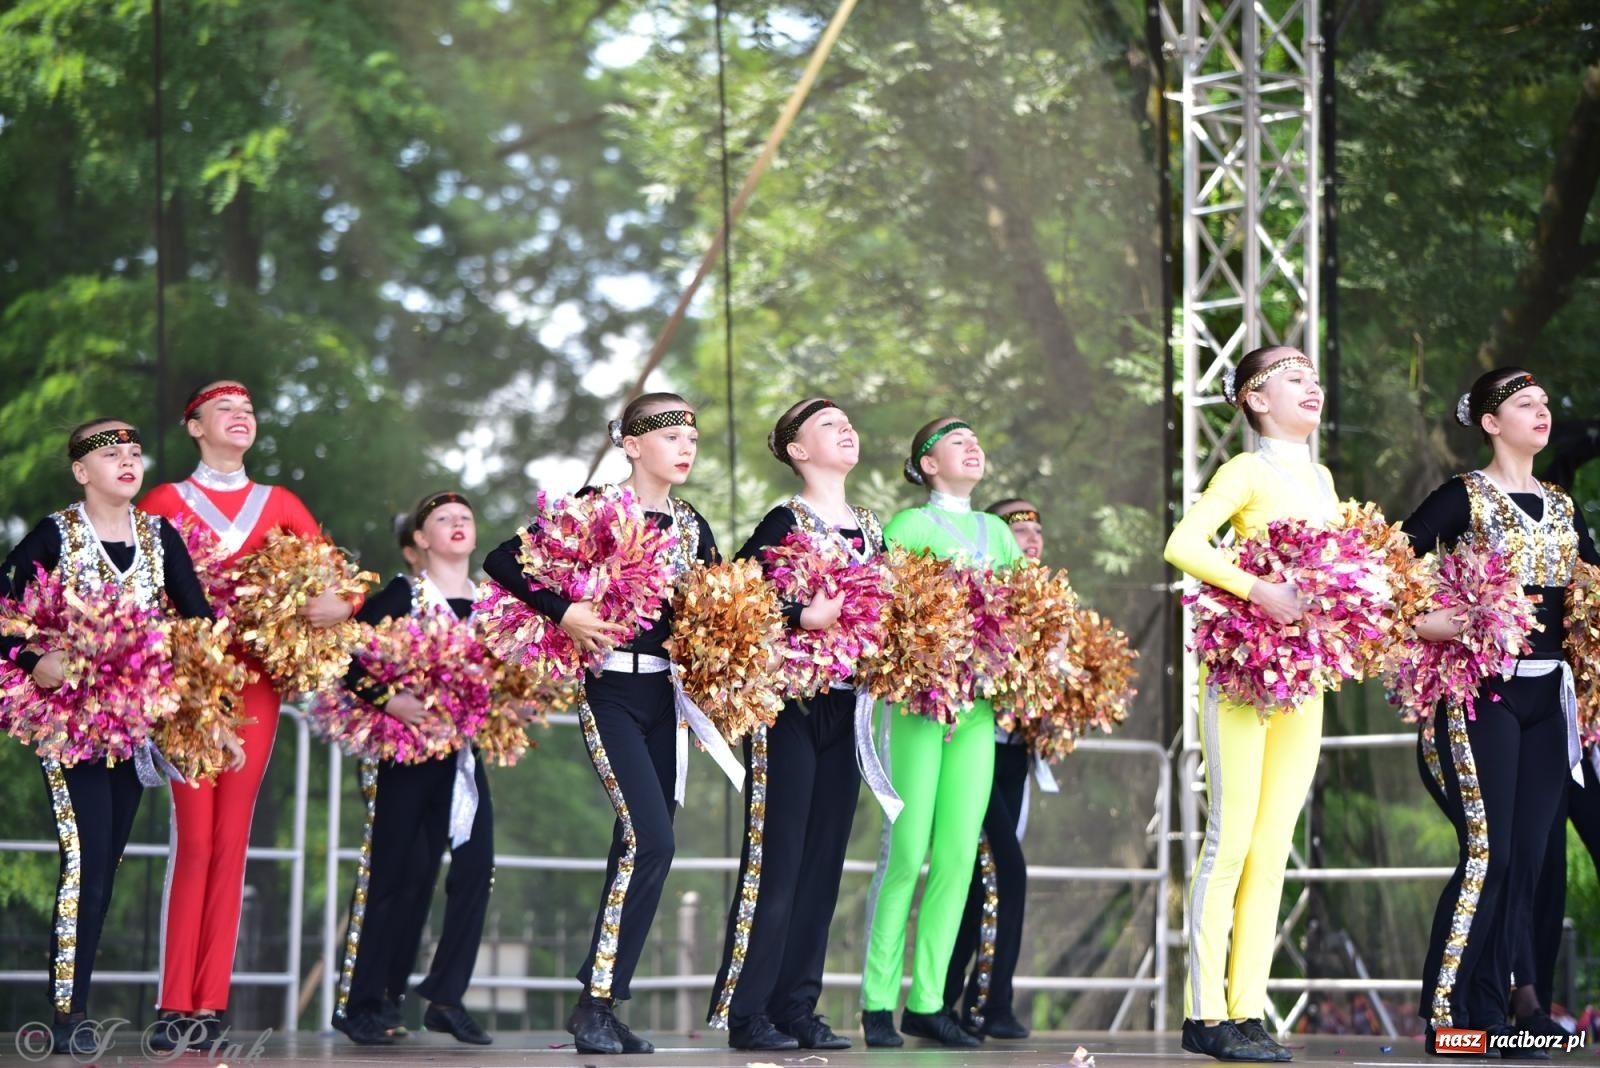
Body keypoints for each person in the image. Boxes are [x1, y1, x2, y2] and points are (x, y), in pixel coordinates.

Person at [483, 393, 718, 1055]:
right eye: (671, 432)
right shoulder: (596, 505)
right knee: (654, 839)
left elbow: (719, 607)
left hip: (667, 703)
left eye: (693, 435)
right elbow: (503, 559)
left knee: (641, 847)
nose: (686, 445)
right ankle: (596, 999)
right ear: (633, 443)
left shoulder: (694, 526)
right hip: (610, 691)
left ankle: (602, 1006)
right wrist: (563, 611)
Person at [140, 381, 359, 1042]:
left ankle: (210, 1006)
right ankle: (174, 1000)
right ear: (195, 427)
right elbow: (138, 590)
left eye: (249, 411)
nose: (241, 418)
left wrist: (338, 605)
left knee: (232, 839)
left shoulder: (280, 503)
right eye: (225, 411)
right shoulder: (164, 502)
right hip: (188, 686)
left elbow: (338, 588)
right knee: (195, 838)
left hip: (257, 684)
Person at [0, 420, 222, 1055]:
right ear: (80, 472)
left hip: (134, 727)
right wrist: (26, 660)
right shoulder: (55, 534)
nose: (127, 460)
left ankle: (78, 1004)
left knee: (107, 862)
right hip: (68, 724)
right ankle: (68, 1013)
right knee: (85, 859)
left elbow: (199, 625)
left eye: (133, 452)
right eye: (109, 453)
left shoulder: (160, 537)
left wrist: (203, 708)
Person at [1401, 368, 1599, 1051]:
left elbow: (1593, 591)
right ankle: (1449, 1012)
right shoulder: (1466, 497)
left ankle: (1509, 1004)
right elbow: (1388, 563)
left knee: (1531, 856)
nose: (1542, 412)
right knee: (1490, 852)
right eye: (1525, 404)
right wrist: (1429, 620)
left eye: (1546, 401)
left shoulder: (1564, 507)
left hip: (1550, 697)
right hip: (1483, 690)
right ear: (1491, 422)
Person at [1164, 346, 1334, 1062]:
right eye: (1294, 376)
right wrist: (1259, 590)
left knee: (1272, 853)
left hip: (1306, 677)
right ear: (1256, 399)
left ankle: (1248, 1010)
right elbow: (1183, 543)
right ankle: (1206, 1016)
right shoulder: (1243, 471)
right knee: (1228, 843)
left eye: (1314, 376)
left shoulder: (1323, 477)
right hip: (1244, 673)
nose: (1312, 385)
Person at [706, 399, 886, 1051]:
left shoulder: (871, 528)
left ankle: (798, 1006)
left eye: (848, 422)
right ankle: (747, 1011)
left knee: (825, 864)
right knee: (776, 862)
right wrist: (799, 617)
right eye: (827, 425)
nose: (846, 430)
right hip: (789, 706)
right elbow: (734, 602)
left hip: (848, 708)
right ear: (798, 451)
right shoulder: (786, 520)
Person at [859, 417, 1024, 1049]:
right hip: (918, 709)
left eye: (977, 440)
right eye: (957, 442)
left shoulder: (999, 532)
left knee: (957, 856)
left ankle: (928, 1002)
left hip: (977, 712)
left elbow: (1019, 614)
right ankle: (878, 1001)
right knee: (906, 853)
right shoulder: (908, 527)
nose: (973, 447)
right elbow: (885, 612)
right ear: (927, 463)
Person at [331, 492, 495, 1046]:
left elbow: (516, 674)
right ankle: (363, 1001)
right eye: (443, 519)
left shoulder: (493, 602)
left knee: (476, 869)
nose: (457, 525)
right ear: (420, 540)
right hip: (404, 752)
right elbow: (345, 656)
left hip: (464, 759)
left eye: (465, 519)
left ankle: (445, 996)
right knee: (399, 875)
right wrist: (389, 699)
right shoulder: (404, 595)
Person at [944, 498, 1045, 1040]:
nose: (1029, 539)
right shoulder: (981, 598)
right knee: (1004, 869)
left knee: (982, 880)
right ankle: (987, 1005)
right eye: (1017, 530)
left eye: (1036, 530)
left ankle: (948, 999)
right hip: (971, 743)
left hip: (1014, 751)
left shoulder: (1045, 605)